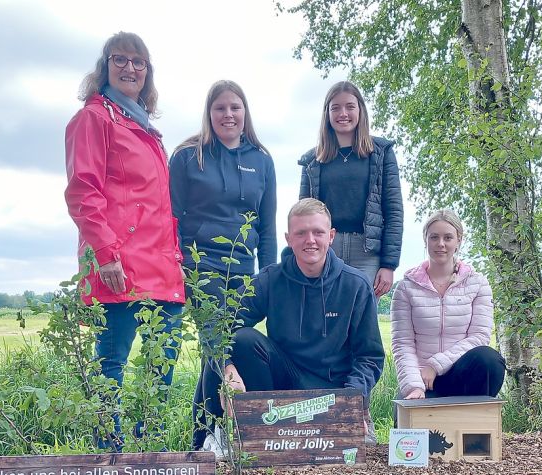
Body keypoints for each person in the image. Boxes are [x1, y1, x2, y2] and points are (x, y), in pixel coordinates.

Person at [64, 32, 184, 449]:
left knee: (161, 363)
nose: (130, 68)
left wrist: (176, 253)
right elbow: (83, 191)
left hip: (162, 266)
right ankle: (109, 456)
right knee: (111, 363)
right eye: (121, 59)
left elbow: (157, 202)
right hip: (118, 264)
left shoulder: (147, 129)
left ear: (148, 73)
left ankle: (148, 449)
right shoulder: (93, 119)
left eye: (139, 62)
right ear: (105, 66)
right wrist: (105, 254)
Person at [207, 199, 384, 450]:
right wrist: (227, 368)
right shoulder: (270, 280)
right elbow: (219, 327)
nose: (310, 240)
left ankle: (346, 420)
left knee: (349, 459)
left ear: (331, 236)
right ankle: (249, 433)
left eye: (318, 232)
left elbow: (369, 357)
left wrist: (351, 403)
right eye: (301, 233)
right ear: (289, 238)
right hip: (284, 386)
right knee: (243, 339)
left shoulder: (355, 285)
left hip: (334, 393)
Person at [169, 80, 277, 450]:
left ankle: (203, 440)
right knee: (218, 345)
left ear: (245, 112)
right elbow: (172, 217)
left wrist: (269, 275)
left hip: (243, 270)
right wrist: (179, 263)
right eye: (220, 108)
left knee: (215, 354)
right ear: (209, 113)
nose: (228, 115)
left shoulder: (261, 160)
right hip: (201, 267)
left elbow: (267, 224)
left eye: (235, 107)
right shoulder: (188, 156)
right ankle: (217, 435)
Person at [298, 81, 404, 298]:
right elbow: (303, 216)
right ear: (327, 113)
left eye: (349, 106)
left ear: (360, 110)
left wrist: (389, 264)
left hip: (367, 253)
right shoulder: (312, 160)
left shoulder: (381, 153)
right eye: (335, 107)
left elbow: (394, 210)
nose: (342, 113)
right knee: (322, 320)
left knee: (361, 326)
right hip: (325, 251)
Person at [390, 210, 506, 400]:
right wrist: (413, 387)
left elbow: (479, 337)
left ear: (459, 240)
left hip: (462, 375)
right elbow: (403, 344)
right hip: (424, 381)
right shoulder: (405, 288)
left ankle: (477, 423)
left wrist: (435, 365)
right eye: (434, 237)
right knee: (409, 423)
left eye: (448, 237)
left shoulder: (478, 283)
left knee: (489, 359)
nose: (441, 244)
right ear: (425, 240)